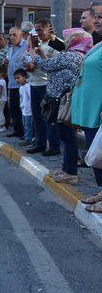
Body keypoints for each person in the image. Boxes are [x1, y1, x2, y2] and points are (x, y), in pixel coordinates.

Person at [30, 28, 92, 185]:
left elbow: (46, 66)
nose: (66, 40)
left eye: (69, 38)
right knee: (67, 136)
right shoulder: (79, 55)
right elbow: (52, 66)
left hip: (61, 101)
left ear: (74, 39)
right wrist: (41, 55)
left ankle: (70, 172)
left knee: (67, 137)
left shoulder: (69, 56)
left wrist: (32, 55)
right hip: (65, 100)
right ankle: (67, 169)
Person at [24, 18, 64, 156]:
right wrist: (28, 62)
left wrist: (38, 57)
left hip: (47, 85)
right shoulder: (35, 44)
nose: (38, 32)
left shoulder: (56, 44)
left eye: (40, 29)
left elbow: (54, 65)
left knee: (49, 117)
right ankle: (40, 143)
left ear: (48, 29)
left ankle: (53, 145)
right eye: (36, 30)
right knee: (37, 116)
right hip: (34, 83)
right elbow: (30, 63)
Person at [72, 40, 102, 211]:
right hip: (91, 111)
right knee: (95, 154)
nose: (98, 20)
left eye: (100, 17)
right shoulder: (98, 45)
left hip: (98, 110)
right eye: (96, 16)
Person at [4, 26, 26, 138]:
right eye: (10, 35)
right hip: (11, 84)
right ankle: (17, 130)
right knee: (13, 109)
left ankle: (25, 132)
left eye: (14, 35)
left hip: (23, 85)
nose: (12, 37)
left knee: (23, 109)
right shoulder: (11, 48)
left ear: (21, 35)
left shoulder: (26, 46)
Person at [14, 69, 33, 146]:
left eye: (18, 78)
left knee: (28, 125)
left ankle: (28, 139)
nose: (17, 80)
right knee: (25, 124)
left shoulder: (28, 86)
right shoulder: (21, 87)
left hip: (29, 110)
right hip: (24, 110)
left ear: (25, 77)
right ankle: (26, 137)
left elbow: (31, 98)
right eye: (15, 78)